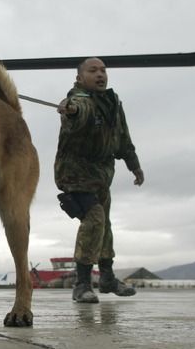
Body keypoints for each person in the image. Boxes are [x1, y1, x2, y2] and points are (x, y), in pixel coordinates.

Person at [54, 57, 145, 303]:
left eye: (103, 70)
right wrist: (70, 111)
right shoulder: (79, 100)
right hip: (75, 173)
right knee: (94, 220)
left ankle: (106, 277)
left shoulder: (113, 102)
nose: (100, 74)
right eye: (92, 70)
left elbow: (123, 139)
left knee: (105, 224)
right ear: (80, 78)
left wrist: (134, 165)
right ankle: (82, 283)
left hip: (102, 175)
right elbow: (77, 112)